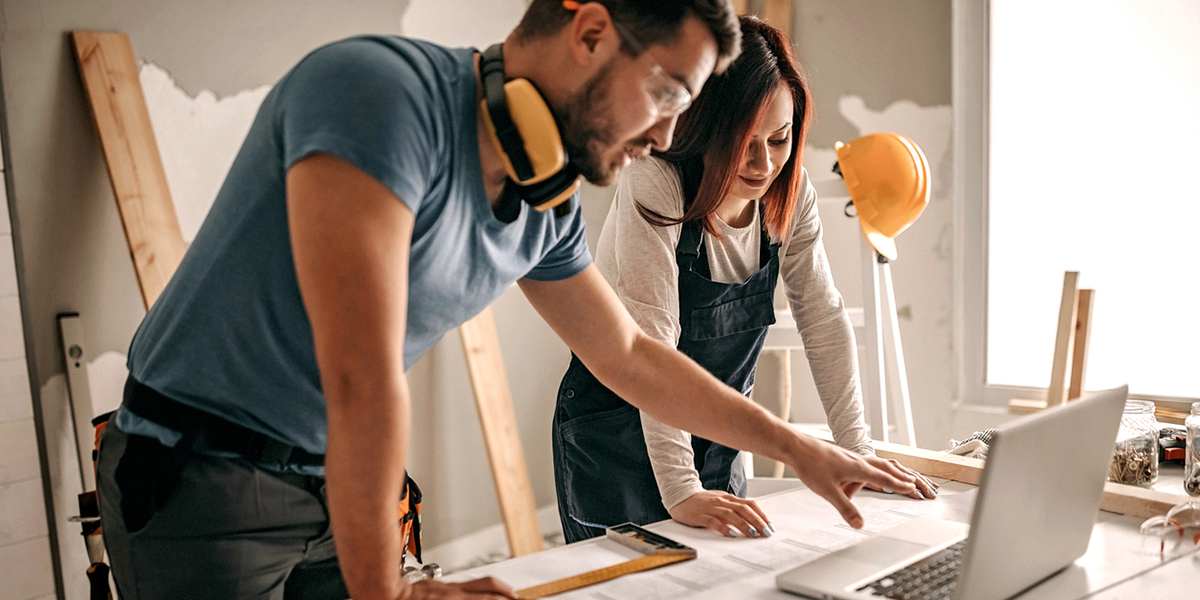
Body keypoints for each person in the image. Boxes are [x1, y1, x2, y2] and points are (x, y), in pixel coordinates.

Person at [95, 1, 917, 599]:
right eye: (668, 91)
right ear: (591, 31)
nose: (670, 134)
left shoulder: (544, 203)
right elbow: (359, 376)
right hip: (204, 481)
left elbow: (630, 355)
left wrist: (804, 451)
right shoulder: (376, 93)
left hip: (339, 487)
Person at [552, 16, 938, 544]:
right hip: (616, 434)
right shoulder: (656, 180)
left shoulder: (789, 189)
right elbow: (648, 343)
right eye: (742, 143)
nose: (763, 165)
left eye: (779, 140)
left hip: (715, 430)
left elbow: (822, 318)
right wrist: (682, 489)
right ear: (705, 129)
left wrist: (856, 450)